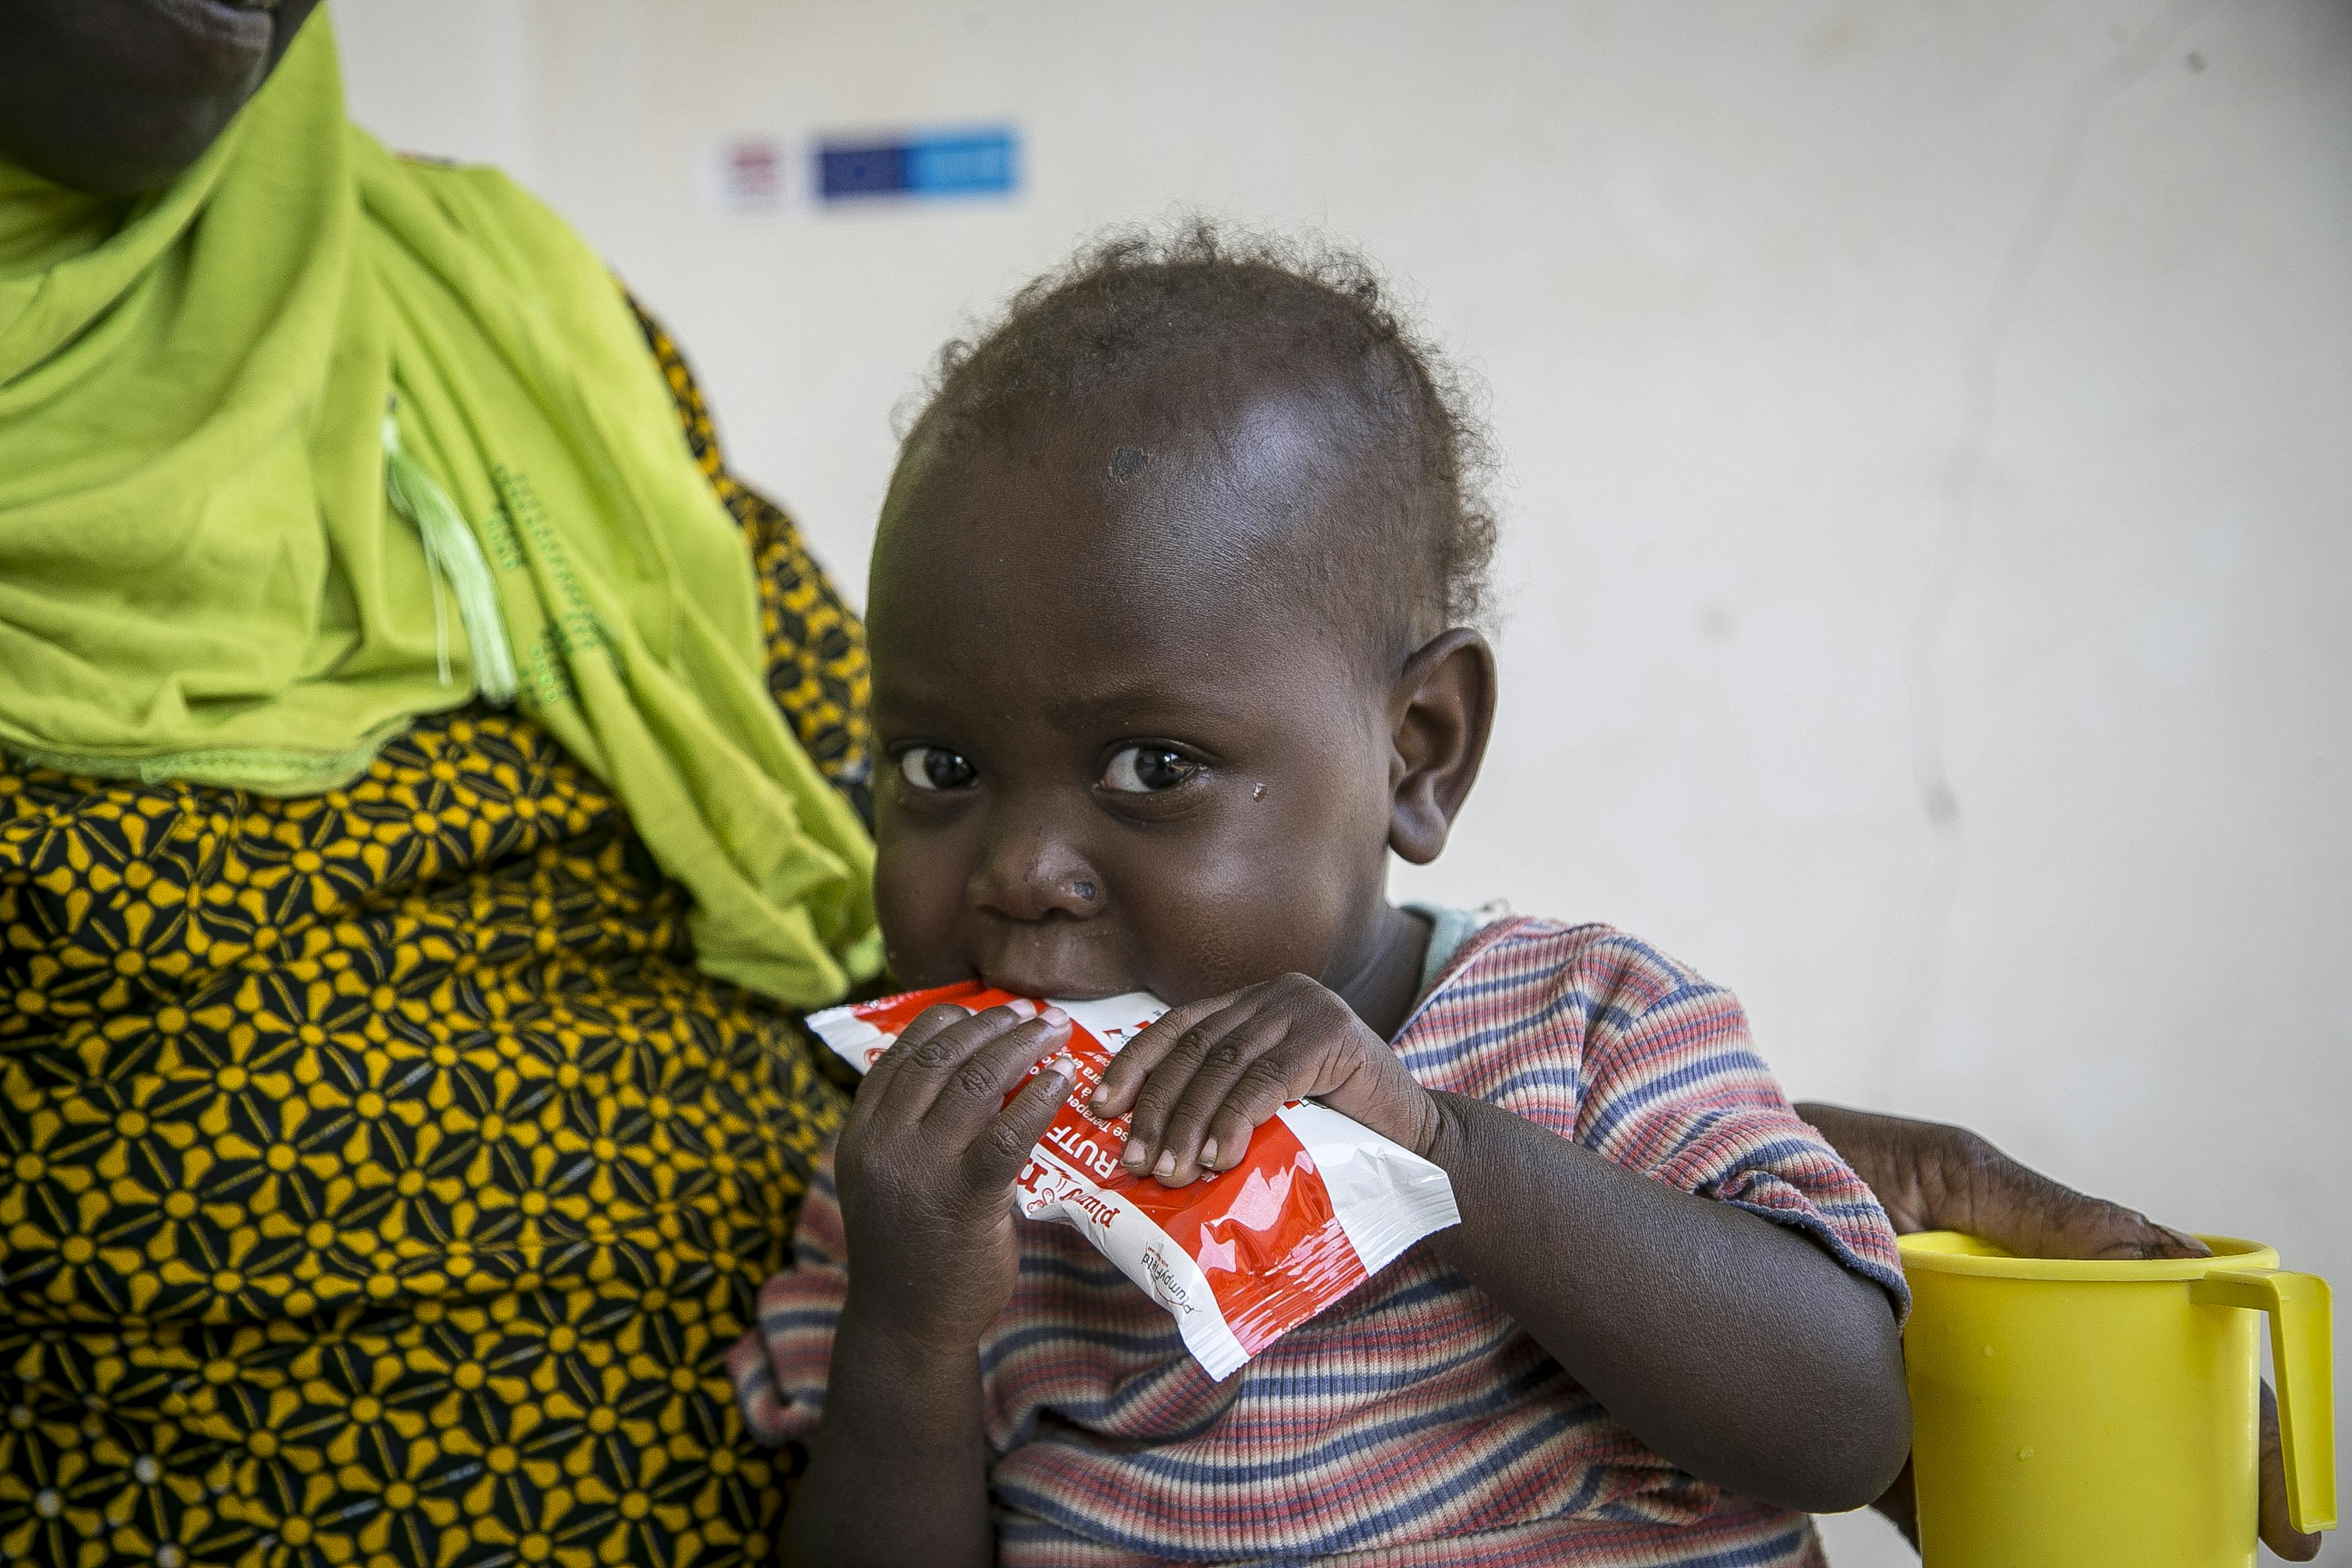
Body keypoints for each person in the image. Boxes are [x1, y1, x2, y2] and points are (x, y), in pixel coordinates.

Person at [0, 4, 2315, 1564]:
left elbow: (1839, 1423)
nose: (1014, 872)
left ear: (1420, 755)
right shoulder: (917, 1195)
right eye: (925, 768)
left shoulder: (1582, 1036)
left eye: (1151, 769)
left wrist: (1444, 1156)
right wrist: (916, 1313)